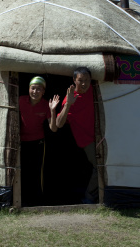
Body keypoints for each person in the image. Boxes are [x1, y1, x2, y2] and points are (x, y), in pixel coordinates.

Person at [56, 67, 98, 203]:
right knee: (99, 166)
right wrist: (68, 104)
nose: (84, 84)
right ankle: (89, 197)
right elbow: (58, 124)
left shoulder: (95, 88)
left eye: (87, 80)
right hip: (87, 140)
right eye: (80, 80)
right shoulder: (70, 98)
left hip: (101, 135)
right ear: (74, 80)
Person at [19, 76, 60, 206]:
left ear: (43, 92)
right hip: (21, 141)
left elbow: (53, 128)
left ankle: (38, 200)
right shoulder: (20, 100)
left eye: (39, 89)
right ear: (29, 89)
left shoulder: (45, 105)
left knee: (37, 171)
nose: (35, 92)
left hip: (38, 142)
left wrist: (53, 110)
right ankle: (22, 198)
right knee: (22, 169)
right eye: (33, 88)